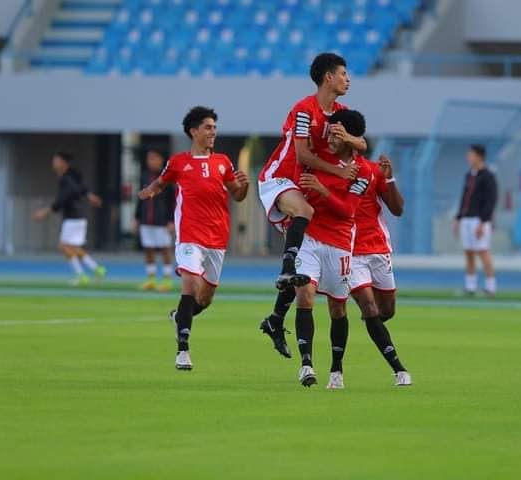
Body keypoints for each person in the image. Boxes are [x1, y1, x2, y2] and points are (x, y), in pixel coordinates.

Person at [258, 53, 368, 357]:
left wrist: (350, 138)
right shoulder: (304, 110)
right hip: (279, 178)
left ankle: (275, 319)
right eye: (344, 73)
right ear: (328, 77)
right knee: (305, 215)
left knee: (304, 275)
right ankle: (284, 269)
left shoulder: (340, 112)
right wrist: (337, 171)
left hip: (300, 186)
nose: (348, 79)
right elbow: (303, 155)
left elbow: (363, 143)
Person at [137, 106, 249, 371]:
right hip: (189, 235)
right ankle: (182, 351)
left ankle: (179, 317)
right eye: (208, 127)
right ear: (193, 131)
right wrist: (148, 192)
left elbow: (237, 195)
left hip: (217, 238)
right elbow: (162, 182)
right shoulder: (178, 162)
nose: (213, 132)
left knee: (205, 298)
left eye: (214, 128)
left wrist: (243, 186)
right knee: (190, 283)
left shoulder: (223, 162)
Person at [288, 109, 374, 387]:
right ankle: (306, 365)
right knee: (305, 296)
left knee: (338, 309)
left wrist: (322, 191)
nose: (330, 138)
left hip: (338, 243)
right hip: (310, 239)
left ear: (348, 136)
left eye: (336, 134)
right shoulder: (318, 158)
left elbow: (348, 211)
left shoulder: (363, 171)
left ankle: (336, 369)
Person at [348, 153, 412, 388]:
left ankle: (373, 324)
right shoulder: (328, 168)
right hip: (349, 250)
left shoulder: (374, 170)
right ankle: (399, 370)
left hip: (377, 248)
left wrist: (391, 180)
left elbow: (397, 209)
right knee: (369, 306)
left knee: (386, 310)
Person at [33, 152, 106, 286]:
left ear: (63, 163)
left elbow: (66, 195)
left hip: (73, 217)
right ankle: (96, 269)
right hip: (77, 216)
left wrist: (46, 210)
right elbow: (80, 188)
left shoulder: (66, 179)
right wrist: (89, 195)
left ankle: (82, 275)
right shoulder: (70, 177)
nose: (53, 163)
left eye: (56, 160)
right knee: (72, 247)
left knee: (64, 246)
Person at [452, 145, 498, 296]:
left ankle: (490, 287)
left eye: (471, 155)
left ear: (479, 157)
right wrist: (458, 218)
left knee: (483, 252)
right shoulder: (469, 175)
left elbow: (491, 201)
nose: (468, 158)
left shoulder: (488, 176)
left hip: (479, 220)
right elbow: (464, 198)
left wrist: (483, 221)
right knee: (469, 253)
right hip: (466, 219)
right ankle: (470, 286)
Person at [133, 149, 176, 291]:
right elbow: (140, 198)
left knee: (165, 250)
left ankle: (167, 281)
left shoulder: (167, 177)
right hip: (146, 220)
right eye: (149, 158)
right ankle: (151, 280)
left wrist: (171, 220)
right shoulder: (144, 176)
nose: (151, 161)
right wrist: (136, 217)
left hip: (162, 221)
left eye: (153, 158)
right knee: (148, 249)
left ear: (160, 159)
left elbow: (173, 201)